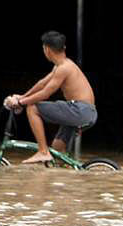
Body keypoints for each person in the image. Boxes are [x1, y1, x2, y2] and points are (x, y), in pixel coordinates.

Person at [5, 31, 97, 164]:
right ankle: (67, 176)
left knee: (33, 107)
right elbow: (42, 84)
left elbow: (45, 93)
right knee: (57, 151)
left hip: (79, 110)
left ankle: (43, 151)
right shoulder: (62, 65)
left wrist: (21, 102)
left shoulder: (64, 68)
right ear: (63, 48)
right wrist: (22, 96)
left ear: (46, 49)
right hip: (85, 112)